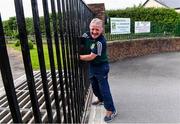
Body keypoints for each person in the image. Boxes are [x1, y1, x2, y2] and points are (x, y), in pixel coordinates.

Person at [80, 18, 117, 123]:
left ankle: (111, 110)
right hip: (92, 67)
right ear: (89, 28)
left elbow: (92, 56)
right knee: (94, 86)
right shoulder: (86, 35)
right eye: (92, 29)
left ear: (101, 30)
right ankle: (100, 100)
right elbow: (81, 41)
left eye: (97, 29)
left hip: (102, 67)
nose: (94, 32)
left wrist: (78, 57)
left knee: (104, 89)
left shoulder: (101, 42)